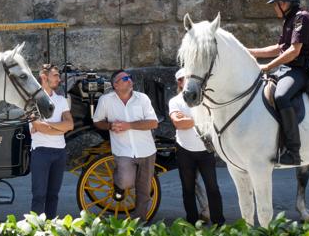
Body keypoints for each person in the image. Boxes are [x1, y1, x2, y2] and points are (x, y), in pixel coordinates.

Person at [247, 0, 309, 165]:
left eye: (275, 4)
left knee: (281, 96)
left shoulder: (301, 18)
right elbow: (280, 49)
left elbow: (294, 51)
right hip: (288, 69)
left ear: (285, 3)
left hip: (302, 70)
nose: (274, 8)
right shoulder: (289, 20)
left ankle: (294, 151)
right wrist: (250, 52)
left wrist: (267, 66)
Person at [93, 70, 158, 221]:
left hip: (146, 150)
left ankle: (139, 222)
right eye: (125, 78)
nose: (130, 80)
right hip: (123, 150)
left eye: (130, 77)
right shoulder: (106, 100)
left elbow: (153, 123)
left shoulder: (142, 98)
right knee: (125, 181)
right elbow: (97, 121)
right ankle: (118, 184)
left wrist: (129, 125)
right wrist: (110, 126)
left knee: (144, 191)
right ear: (116, 85)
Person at [169, 68, 225, 226]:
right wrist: (201, 119)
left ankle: (219, 222)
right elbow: (179, 124)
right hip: (184, 149)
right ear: (179, 82)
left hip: (204, 150)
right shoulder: (175, 101)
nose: (189, 80)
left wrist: (189, 119)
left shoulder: (205, 99)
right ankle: (192, 222)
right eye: (185, 78)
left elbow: (214, 118)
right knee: (188, 189)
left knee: (212, 188)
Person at [30, 64, 74, 219]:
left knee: (53, 195)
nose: (59, 79)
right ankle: (34, 229)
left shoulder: (61, 100)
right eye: (55, 75)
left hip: (59, 152)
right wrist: (60, 128)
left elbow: (70, 125)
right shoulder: (33, 101)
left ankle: (50, 227)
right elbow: (37, 126)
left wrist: (47, 126)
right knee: (39, 195)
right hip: (41, 151)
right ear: (44, 77)